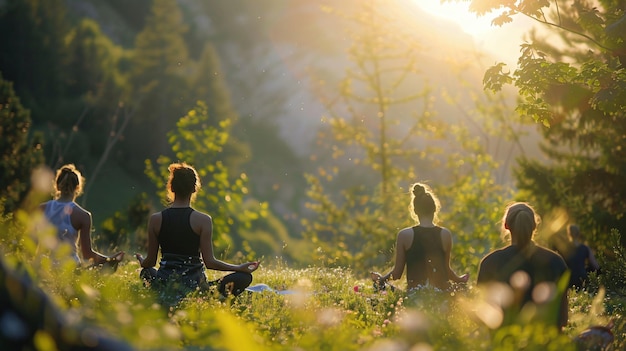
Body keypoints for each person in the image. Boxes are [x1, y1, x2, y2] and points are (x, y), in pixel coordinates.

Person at [135, 162, 258, 299]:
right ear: (194, 189)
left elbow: (150, 262)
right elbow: (210, 262)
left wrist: (142, 261)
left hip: (165, 284)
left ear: (171, 187)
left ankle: (166, 291)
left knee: (147, 272)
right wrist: (239, 268)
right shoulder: (203, 220)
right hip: (195, 287)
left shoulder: (155, 219)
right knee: (244, 277)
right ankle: (208, 295)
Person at [477, 202, 568, 329]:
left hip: (504, 342)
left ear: (506, 226)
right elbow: (562, 318)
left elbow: (483, 316)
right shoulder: (555, 261)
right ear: (534, 226)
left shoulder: (489, 262)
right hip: (546, 342)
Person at [374, 182, 469, 292]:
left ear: (415, 210)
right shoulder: (445, 234)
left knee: (381, 289)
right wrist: (460, 280)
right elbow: (446, 270)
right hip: (441, 294)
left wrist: (380, 280)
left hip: (416, 295)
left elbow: (396, 274)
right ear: (434, 209)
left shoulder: (404, 235)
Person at [39, 164, 124, 267]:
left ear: (57, 185)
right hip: (69, 269)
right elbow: (87, 255)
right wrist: (110, 259)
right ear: (78, 188)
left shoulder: (41, 209)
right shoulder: (83, 216)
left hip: (43, 266)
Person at [556, 224, 600, 289]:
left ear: (569, 234)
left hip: (568, 280)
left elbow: (559, 264)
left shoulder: (564, 248)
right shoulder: (585, 248)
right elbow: (595, 265)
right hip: (582, 278)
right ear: (578, 234)